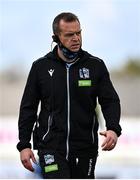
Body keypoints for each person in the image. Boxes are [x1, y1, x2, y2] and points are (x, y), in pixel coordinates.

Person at [17, 12, 122, 179]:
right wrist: (24, 145)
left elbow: (110, 101)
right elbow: (28, 108)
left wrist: (113, 129)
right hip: (50, 148)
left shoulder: (95, 65)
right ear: (57, 38)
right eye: (69, 35)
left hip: (85, 149)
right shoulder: (40, 67)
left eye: (78, 33)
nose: (76, 38)